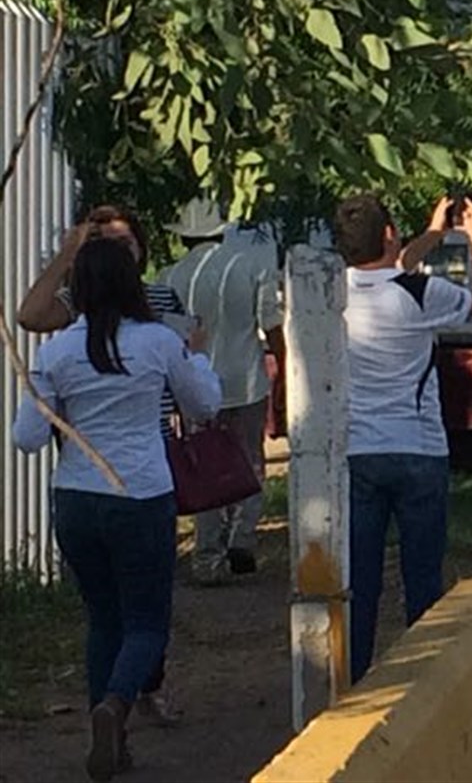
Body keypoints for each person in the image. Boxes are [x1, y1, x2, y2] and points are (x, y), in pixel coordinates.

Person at [12, 239, 221, 781]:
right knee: (147, 622)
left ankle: (110, 735)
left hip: (77, 499)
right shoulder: (157, 342)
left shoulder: (56, 353)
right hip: (141, 496)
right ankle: (117, 706)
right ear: (132, 283)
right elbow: (204, 405)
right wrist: (196, 354)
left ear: (75, 290)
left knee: (103, 619)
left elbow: (26, 437)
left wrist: (40, 392)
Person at [334, 193, 472, 683]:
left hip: (357, 450)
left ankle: (353, 680)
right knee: (422, 579)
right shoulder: (422, 294)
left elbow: (389, 267)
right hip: (419, 447)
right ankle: (421, 682)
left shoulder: (332, 292)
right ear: (389, 234)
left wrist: (432, 232)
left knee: (358, 582)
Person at [162, 199, 286, 586]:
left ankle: (206, 556)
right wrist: (282, 369)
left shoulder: (170, 278)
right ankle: (243, 535)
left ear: (183, 238)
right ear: (222, 231)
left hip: (195, 384)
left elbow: (171, 337)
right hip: (245, 379)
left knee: (205, 467)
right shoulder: (251, 267)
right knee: (250, 461)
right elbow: (271, 325)